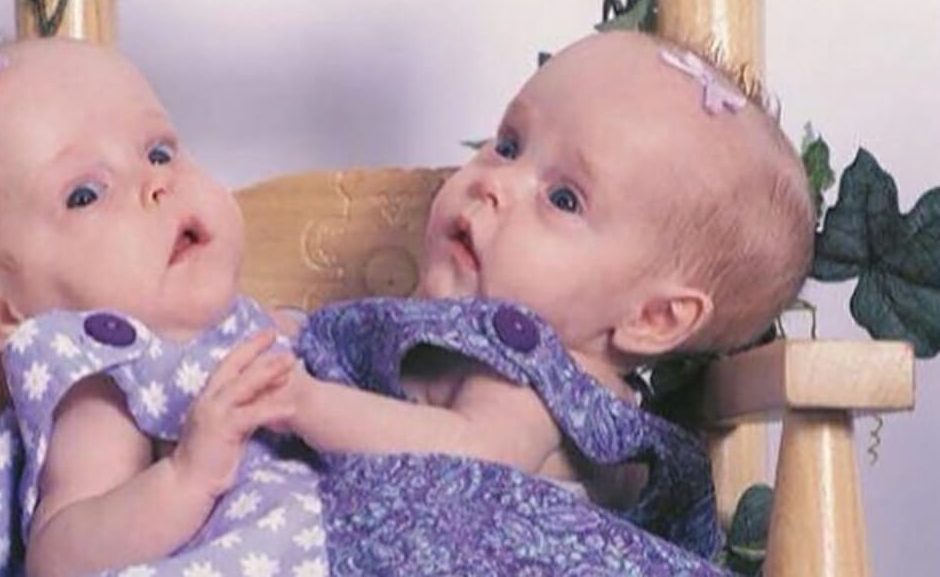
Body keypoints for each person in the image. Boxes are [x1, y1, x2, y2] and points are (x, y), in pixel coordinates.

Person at [279, 28, 813, 550]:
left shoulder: (533, 377)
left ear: (652, 318)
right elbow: (342, 362)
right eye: (509, 146)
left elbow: (470, 456)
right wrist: (282, 336)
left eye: (563, 199)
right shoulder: (458, 332)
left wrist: (303, 401)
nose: (495, 183)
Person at [0, 37, 322, 577]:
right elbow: (61, 559)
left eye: (158, 152)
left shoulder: (260, 330)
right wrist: (187, 476)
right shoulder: (108, 384)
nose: (156, 183)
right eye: (85, 195)